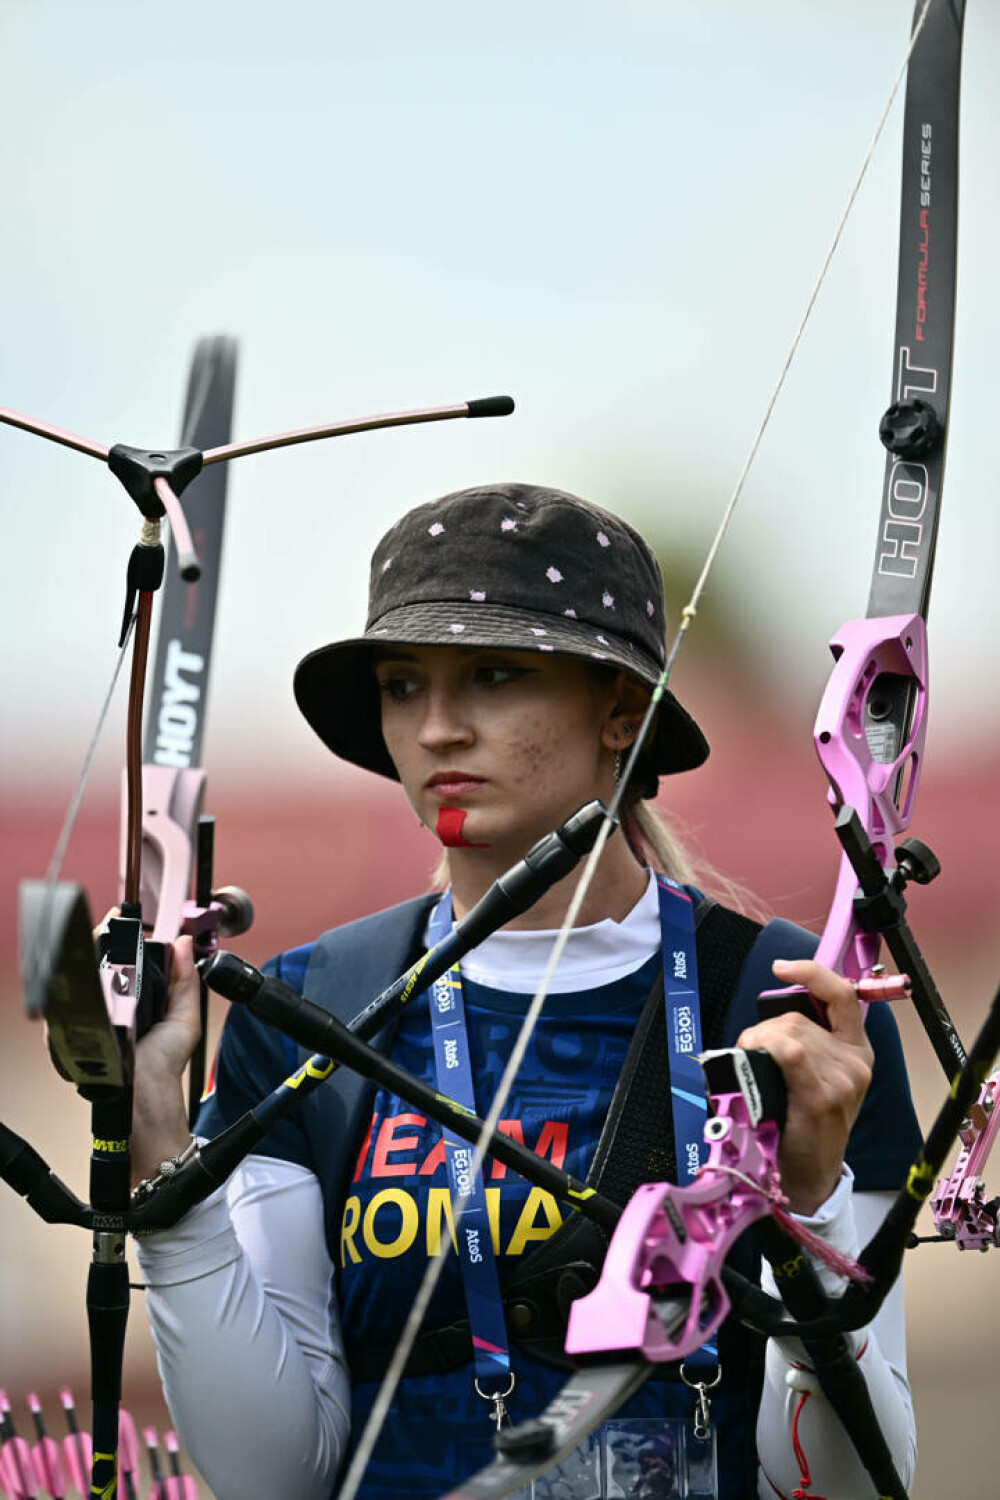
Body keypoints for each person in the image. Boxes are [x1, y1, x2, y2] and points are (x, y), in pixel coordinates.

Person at [131, 482, 921, 1500]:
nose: (437, 730)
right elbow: (275, 1476)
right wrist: (162, 1163)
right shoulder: (307, 1006)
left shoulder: (797, 1007)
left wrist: (809, 1209)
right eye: (403, 685)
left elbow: (855, 1484)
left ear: (621, 713)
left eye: (494, 676)